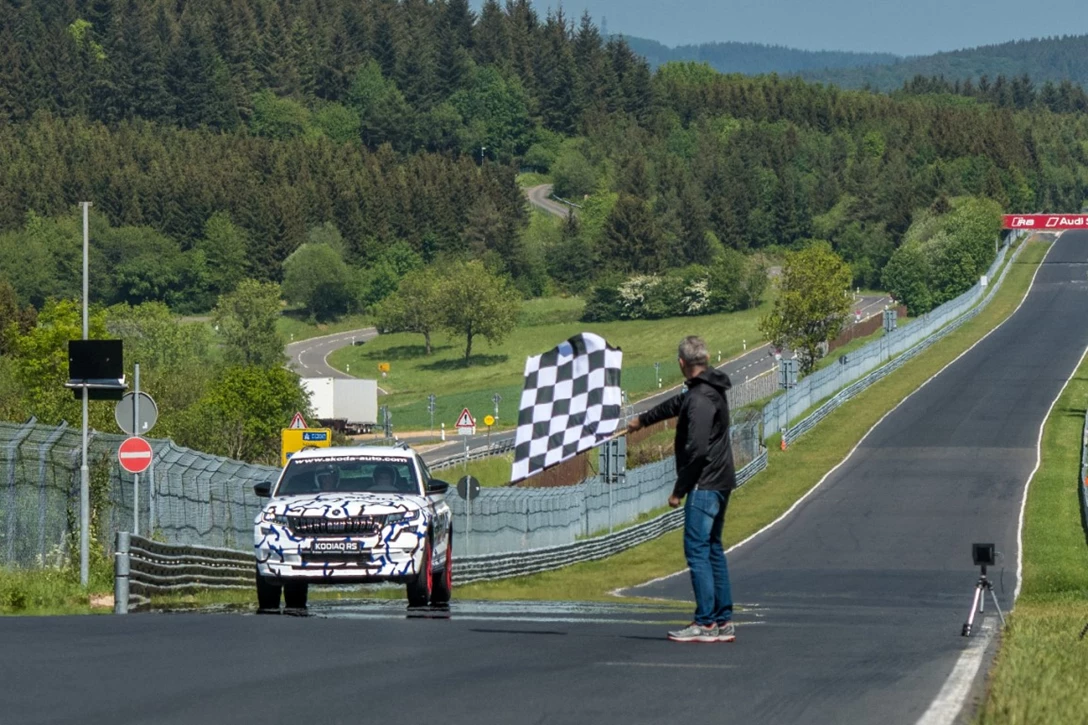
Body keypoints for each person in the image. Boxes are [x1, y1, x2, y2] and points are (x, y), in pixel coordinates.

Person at [627, 335, 737, 643]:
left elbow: (697, 450)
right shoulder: (708, 389)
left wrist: (679, 489)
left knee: (697, 549)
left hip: (704, 483)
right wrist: (642, 421)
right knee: (712, 547)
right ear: (706, 358)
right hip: (720, 480)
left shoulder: (700, 398)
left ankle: (705, 623)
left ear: (681, 363)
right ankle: (722, 620)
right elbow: (678, 403)